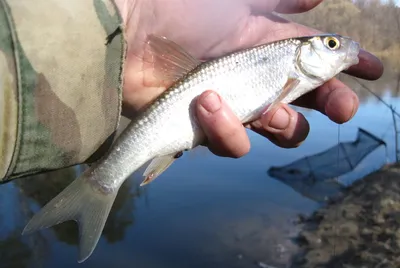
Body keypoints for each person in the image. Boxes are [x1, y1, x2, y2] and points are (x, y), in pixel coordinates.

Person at [0, 0, 383, 183]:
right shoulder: (289, 61)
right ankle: (103, 181)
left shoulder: (293, 68)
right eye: (331, 45)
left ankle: (105, 179)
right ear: (310, 53)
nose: (340, 47)